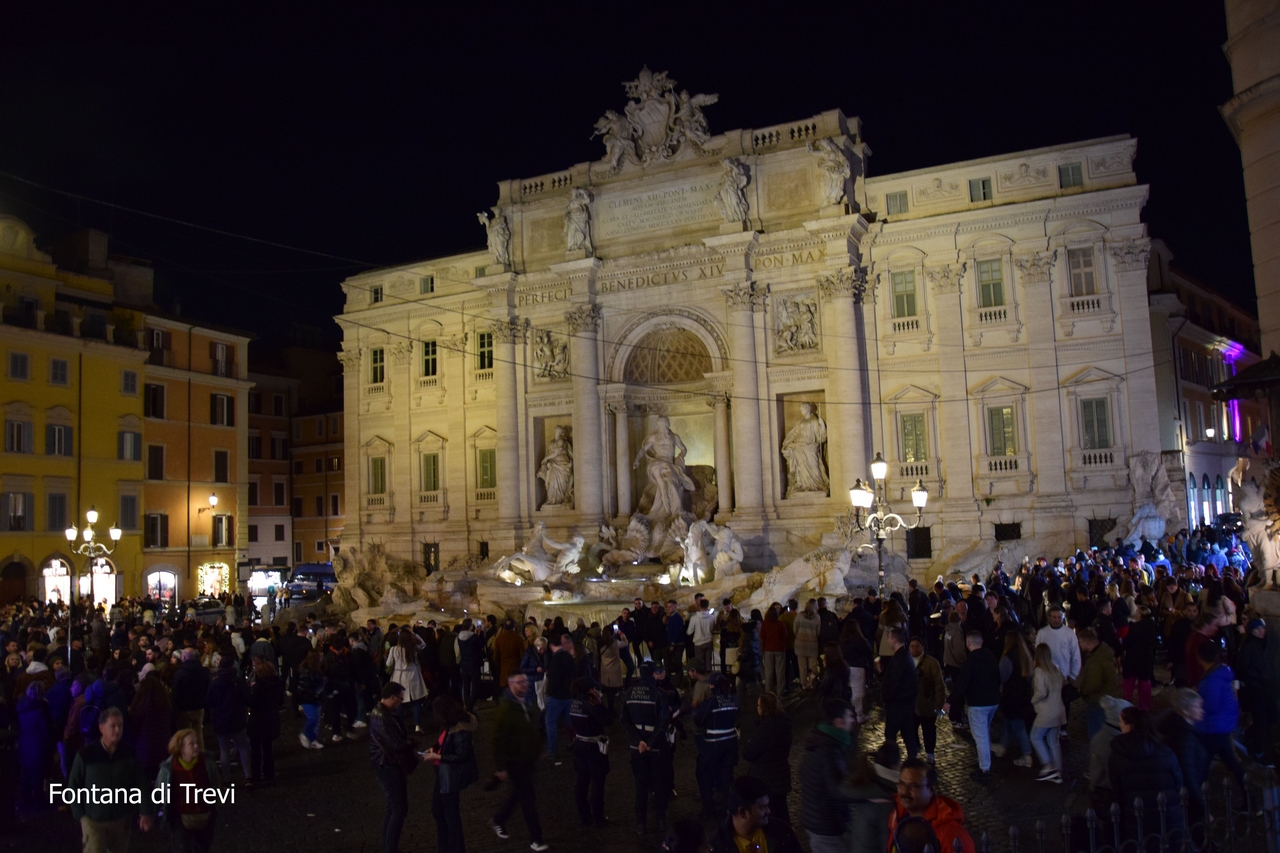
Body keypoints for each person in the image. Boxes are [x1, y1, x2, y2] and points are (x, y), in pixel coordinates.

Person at [67, 707, 156, 851]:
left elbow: (141, 783)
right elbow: (73, 786)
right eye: (113, 726)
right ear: (101, 728)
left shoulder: (129, 753)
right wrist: (81, 816)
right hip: (94, 820)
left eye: (120, 725)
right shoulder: (86, 755)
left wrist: (145, 811)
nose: (117, 730)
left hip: (121, 819)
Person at [490, 672, 550, 850]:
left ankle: (499, 819)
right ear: (510, 685)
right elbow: (497, 740)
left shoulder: (527, 703)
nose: (524, 685)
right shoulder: (506, 710)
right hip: (515, 761)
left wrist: (538, 749)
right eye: (519, 682)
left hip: (527, 759)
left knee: (519, 793)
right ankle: (536, 838)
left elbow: (533, 728)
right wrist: (500, 767)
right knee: (527, 798)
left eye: (525, 681)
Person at [370, 682, 429, 853]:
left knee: (393, 805)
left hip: (387, 763)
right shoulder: (382, 717)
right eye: (400, 699)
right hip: (387, 765)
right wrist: (411, 743)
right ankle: (390, 848)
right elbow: (394, 744)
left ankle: (388, 844)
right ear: (392, 697)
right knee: (399, 808)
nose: (401, 703)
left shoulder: (383, 713)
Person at [1108, 706, 1184, 838]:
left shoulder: (1117, 756)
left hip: (1137, 819)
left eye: (1121, 721)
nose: (1119, 724)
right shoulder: (1165, 752)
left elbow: (1117, 791)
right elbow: (1179, 784)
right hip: (1168, 817)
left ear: (1129, 726)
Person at [799, 698, 859, 853]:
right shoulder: (829, 750)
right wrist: (867, 795)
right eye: (850, 716)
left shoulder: (824, 741)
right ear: (838, 722)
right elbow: (839, 788)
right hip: (827, 826)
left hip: (820, 821)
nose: (853, 720)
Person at [623, 660, 673, 836]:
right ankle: (661, 819)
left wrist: (639, 741)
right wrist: (651, 742)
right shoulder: (659, 694)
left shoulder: (628, 693)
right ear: (653, 674)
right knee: (659, 784)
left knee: (640, 785)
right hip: (657, 748)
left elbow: (625, 721)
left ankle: (641, 823)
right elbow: (664, 722)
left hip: (637, 748)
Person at [943, 632, 1001, 780]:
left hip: (978, 704)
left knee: (980, 736)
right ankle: (985, 761)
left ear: (968, 644)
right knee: (984, 732)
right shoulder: (991, 658)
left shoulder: (970, 662)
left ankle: (984, 769)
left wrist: (949, 701)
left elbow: (961, 685)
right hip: (993, 702)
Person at [424, 694, 478, 853]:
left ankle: (455, 848)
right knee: (438, 810)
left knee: (451, 816)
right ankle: (446, 846)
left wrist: (438, 756)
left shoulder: (460, 730)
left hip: (450, 777)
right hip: (442, 774)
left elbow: (461, 755)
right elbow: (443, 743)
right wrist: (434, 748)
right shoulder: (448, 725)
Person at [888, 758, 976, 853]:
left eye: (913, 786)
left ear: (930, 790)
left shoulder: (950, 833)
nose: (904, 791)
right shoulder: (897, 813)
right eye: (901, 784)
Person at [155, 728, 221, 853]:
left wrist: (215, 809)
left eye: (196, 742)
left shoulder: (207, 765)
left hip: (205, 818)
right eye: (191, 744)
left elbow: (216, 787)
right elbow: (158, 793)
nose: (196, 746)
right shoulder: (169, 769)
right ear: (181, 748)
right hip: (180, 820)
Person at [1193, 640, 1245, 786]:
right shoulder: (1222, 671)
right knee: (1231, 762)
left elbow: (1211, 706)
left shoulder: (1211, 681)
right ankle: (1249, 797)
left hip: (1214, 726)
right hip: (1223, 723)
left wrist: (1195, 703)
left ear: (1199, 658)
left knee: (1202, 765)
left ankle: (1196, 797)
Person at [708, 775, 803, 853]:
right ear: (742, 812)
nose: (768, 811)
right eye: (762, 807)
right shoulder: (716, 845)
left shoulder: (782, 831)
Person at [742, 691, 793, 827]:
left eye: (759, 705)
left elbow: (749, 752)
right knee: (782, 811)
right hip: (781, 775)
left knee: (772, 815)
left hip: (767, 778)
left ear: (765, 708)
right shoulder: (784, 724)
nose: (757, 708)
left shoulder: (766, 729)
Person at [1156, 688, 1210, 816]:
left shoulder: (1176, 728)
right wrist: (1202, 807)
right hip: (1187, 800)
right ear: (1185, 711)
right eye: (1198, 707)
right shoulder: (1185, 738)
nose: (1202, 710)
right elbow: (1189, 774)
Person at [569, 676, 613, 827]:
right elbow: (607, 719)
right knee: (597, 782)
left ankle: (584, 816)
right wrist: (600, 704)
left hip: (579, 743)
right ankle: (598, 818)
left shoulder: (573, 703)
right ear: (589, 690)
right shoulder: (591, 703)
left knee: (581, 781)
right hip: (593, 745)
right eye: (594, 688)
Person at [694, 672, 740, 819]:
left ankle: (708, 808)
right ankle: (729, 809)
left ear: (712, 686)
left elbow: (699, 720)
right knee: (728, 777)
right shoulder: (733, 699)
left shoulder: (711, 702)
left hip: (713, 744)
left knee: (703, 773)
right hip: (731, 743)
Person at [205, 655, 252, 782]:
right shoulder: (238, 681)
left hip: (221, 719)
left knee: (224, 749)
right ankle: (248, 776)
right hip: (237, 718)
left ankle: (226, 779)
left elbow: (209, 701)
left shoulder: (215, 682)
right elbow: (248, 699)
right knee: (243, 747)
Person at [1236, 617, 1278, 760]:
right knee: (1261, 719)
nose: (1261, 631)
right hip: (1255, 688)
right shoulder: (1249, 646)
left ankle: (1251, 738)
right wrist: (1260, 677)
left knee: (1271, 715)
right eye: (1257, 629)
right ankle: (1258, 751)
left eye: (1262, 628)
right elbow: (1243, 668)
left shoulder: (1260, 643)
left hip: (1263, 687)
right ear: (1251, 631)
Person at [995, 631, 1034, 767]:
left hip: (1012, 697)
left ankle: (1027, 754)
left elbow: (1002, 677)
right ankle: (1002, 746)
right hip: (1024, 696)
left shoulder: (1008, 658)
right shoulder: (1025, 656)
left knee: (1017, 725)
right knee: (1011, 722)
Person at [1029, 643, 1066, 783]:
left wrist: (1033, 700)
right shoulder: (1055, 668)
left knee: (1035, 737)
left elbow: (1041, 693)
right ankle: (1058, 771)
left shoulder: (1040, 671)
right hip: (1058, 710)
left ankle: (1048, 765)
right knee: (1053, 741)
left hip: (1046, 711)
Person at [881, 626, 919, 761]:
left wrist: (887, 698)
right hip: (906, 702)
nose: (887, 640)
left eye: (889, 637)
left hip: (898, 703)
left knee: (891, 733)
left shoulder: (899, 659)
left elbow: (894, 683)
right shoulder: (904, 655)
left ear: (894, 639)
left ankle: (890, 760)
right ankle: (912, 758)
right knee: (908, 732)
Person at [1077, 627, 1120, 739]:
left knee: (1096, 735)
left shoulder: (1096, 660)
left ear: (1087, 642)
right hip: (1108, 696)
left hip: (1098, 700)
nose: (1080, 645)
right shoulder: (1105, 652)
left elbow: (1093, 684)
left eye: (1080, 642)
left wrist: (1081, 691)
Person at [247, 658, 284, 786]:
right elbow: (281, 701)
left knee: (256, 749)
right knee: (268, 748)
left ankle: (256, 775)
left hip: (257, 719)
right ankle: (269, 773)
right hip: (271, 718)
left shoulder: (258, 687)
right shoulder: (277, 684)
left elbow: (252, 703)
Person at [910, 637, 946, 765]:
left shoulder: (932, 663)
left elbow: (939, 684)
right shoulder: (907, 661)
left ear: (923, 647)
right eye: (912, 646)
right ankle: (915, 747)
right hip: (912, 705)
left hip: (927, 705)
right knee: (911, 729)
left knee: (929, 730)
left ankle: (930, 753)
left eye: (917, 645)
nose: (914, 648)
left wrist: (938, 704)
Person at [543, 631, 576, 762]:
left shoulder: (555, 659)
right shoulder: (569, 657)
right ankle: (580, 744)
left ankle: (552, 751)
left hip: (556, 696)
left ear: (551, 645)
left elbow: (554, 679)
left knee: (550, 722)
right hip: (568, 695)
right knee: (571, 722)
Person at [388, 628, 428, 732]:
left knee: (399, 701)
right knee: (416, 701)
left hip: (398, 676)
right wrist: (414, 633)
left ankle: (401, 726)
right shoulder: (413, 648)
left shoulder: (394, 649)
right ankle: (417, 726)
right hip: (413, 676)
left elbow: (388, 663)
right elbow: (423, 644)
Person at [170, 647, 210, 750]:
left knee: (185, 735)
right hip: (199, 707)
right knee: (199, 734)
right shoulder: (203, 671)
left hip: (184, 709)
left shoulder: (180, 673)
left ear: (183, 657)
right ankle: (200, 755)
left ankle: (188, 756)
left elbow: (175, 693)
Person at [1121, 605, 1156, 710]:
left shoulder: (1135, 627)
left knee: (1129, 681)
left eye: (1136, 611)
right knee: (1144, 682)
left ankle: (1127, 705)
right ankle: (1145, 707)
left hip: (1133, 657)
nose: (1135, 613)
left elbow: (1126, 643)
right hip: (1146, 658)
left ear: (1140, 614)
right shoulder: (1152, 626)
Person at [793, 600, 821, 689]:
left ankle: (803, 685)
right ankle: (812, 684)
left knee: (802, 667)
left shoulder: (800, 615)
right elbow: (818, 632)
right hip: (812, 645)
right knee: (813, 666)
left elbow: (795, 628)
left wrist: (799, 635)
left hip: (800, 644)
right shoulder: (817, 617)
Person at [686, 598, 716, 673]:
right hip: (709, 641)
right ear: (707, 606)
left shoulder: (694, 618)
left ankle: (701, 680)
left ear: (699, 606)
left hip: (698, 643)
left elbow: (689, 631)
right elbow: (713, 629)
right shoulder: (712, 618)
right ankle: (709, 679)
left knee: (700, 663)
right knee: (708, 662)